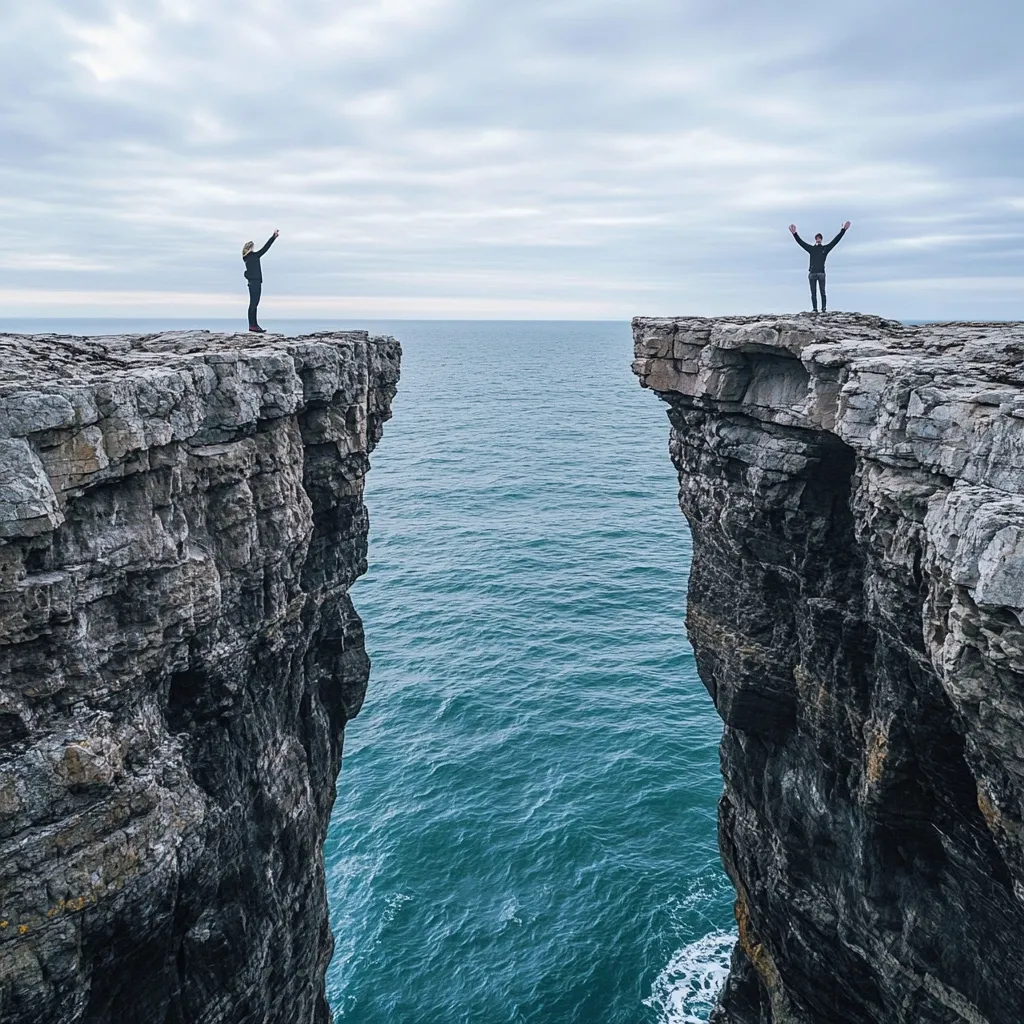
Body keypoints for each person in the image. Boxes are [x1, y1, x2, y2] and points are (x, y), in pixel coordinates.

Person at [789, 221, 851, 313]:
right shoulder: (811, 249)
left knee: (822, 292)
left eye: (820, 238)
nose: (818, 240)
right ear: (815, 239)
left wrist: (843, 230)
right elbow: (801, 243)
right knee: (813, 293)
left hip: (821, 273)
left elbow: (835, 241)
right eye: (817, 238)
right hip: (812, 273)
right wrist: (795, 234)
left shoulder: (825, 249)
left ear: (821, 239)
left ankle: (823, 309)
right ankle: (815, 309)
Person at [242, 229, 279, 332]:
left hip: (253, 282)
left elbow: (247, 272)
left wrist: (247, 275)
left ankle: (253, 324)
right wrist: (273, 237)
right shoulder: (253, 256)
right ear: (250, 248)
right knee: (254, 303)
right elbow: (265, 248)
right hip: (255, 282)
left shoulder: (246, 258)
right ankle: (253, 325)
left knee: (253, 304)